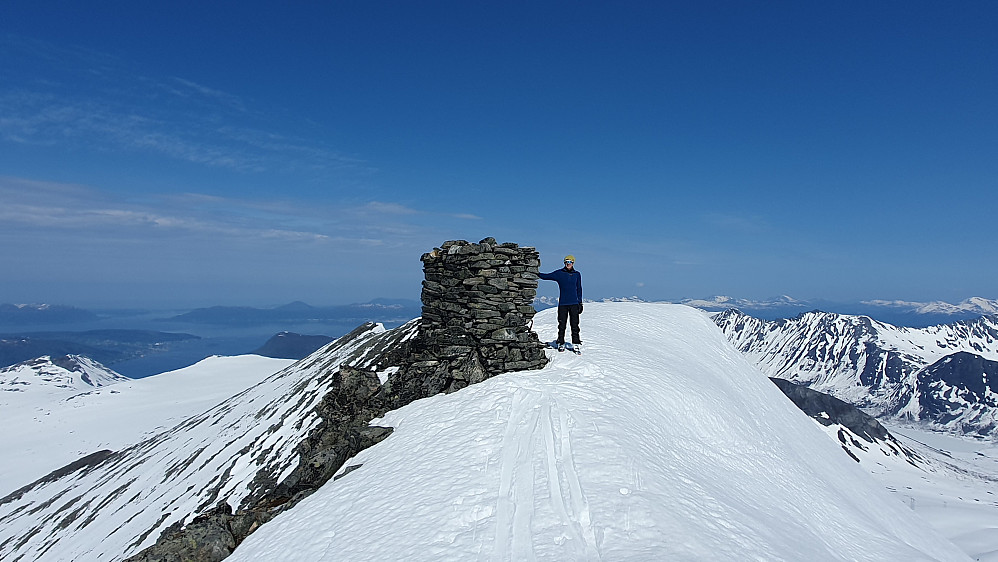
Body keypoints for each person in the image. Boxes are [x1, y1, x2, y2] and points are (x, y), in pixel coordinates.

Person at [538, 255, 583, 352]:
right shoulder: (559, 273)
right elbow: (546, 276)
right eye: (567, 261)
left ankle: (576, 343)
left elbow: (579, 289)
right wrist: (536, 273)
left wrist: (580, 303)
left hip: (574, 304)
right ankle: (561, 343)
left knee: (574, 324)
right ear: (564, 263)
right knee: (562, 324)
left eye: (570, 262)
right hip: (563, 304)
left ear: (573, 263)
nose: (568, 263)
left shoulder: (577, 274)